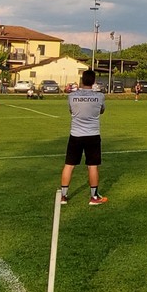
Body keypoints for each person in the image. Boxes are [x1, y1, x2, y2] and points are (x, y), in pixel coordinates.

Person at [59, 69, 108, 206]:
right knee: (92, 166)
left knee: (69, 165)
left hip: (76, 135)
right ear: (93, 82)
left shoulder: (72, 96)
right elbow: (102, 111)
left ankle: (63, 196)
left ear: (82, 80)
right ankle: (94, 197)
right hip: (92, 135)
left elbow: (71, 111)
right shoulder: (100, 96)